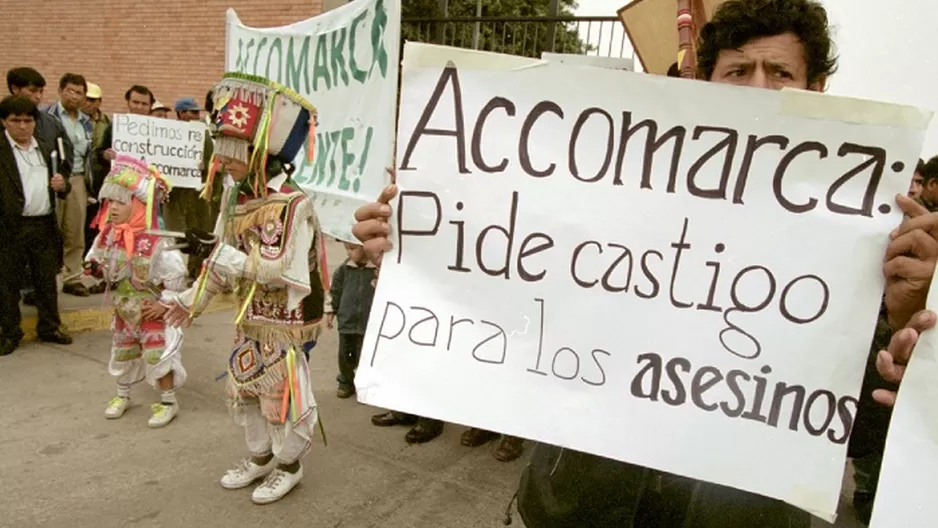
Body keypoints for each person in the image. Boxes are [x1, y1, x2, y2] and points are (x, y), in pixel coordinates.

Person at [351, 0, 938, 525]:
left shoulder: (870, 237)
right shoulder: (619, 190)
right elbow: (515, 303)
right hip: (577, 500)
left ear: (818, 86)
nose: (760, 89)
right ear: (705, 83)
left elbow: (856, 436)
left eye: (780, 72)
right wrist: (417, 255)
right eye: (738, 71)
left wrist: (900, 319)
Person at [162, 72, 328, 505]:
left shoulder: (293, 203)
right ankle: (259, 458)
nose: (225, 162)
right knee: (245, 388)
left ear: (259, 154)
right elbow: (223, 258)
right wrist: (189, 301)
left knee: (279, 394)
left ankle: (289, 464)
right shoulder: (235, 196)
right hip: (248, 319)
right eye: (223, 153)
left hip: (284, 322)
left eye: (234, 154)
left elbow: (281, 270)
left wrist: (230, 260)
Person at [84, 155, 187, 427]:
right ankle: (122, 395)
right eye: (110, 201)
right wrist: (93, 267)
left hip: (149, 309)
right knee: (123, 352)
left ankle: (168, 401)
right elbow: (96, 258)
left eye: (121, 201)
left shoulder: (157, 241)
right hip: (124, 308)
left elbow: (176, 277)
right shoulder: (108, 234)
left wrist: (164, 304)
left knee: (158, 355)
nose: (113, 207)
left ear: (139, 204)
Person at [0, 95, 74, 356]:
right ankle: (9, 332)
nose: (22, 126)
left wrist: (62, 184)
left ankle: (50, 327)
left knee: (46, 279)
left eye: (28, 120)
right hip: (10, 226)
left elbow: (63, 178)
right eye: (15, 121)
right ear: (4, 122)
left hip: (43, 222)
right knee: (7, 282)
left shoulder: (45, 147)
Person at [48, 73, 94, 297]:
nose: (75, 97)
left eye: (79, 93)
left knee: (75, 231)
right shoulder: (47, 116)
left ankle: (73, 278)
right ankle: (42, 280)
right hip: (53, 178)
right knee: (49, 230)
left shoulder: (86, 121)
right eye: (71, 91)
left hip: (77, 179)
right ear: (60, 90)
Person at [163, 97, 214, 283]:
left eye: (197, 112)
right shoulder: (168, 133)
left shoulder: (202, 134)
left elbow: (211, 161)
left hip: (195, 193)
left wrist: (204, 166)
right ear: (181, 113)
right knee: (175, 233)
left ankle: (196, 271)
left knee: (198, 231)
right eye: (192, 112)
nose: (196, 115)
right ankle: (174, 274)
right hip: (174, 193)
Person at [326, 242, 378, 399]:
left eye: (352, 249)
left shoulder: (376, 270)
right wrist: (331, 311)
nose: (349, 253)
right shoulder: (344, 269)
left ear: (364, 247)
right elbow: (334, 291)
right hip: (347, 320)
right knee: (345, 355)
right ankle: (345, 382)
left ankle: (366, 386)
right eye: (347, 249)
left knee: (366, 356)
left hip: (368, 322)